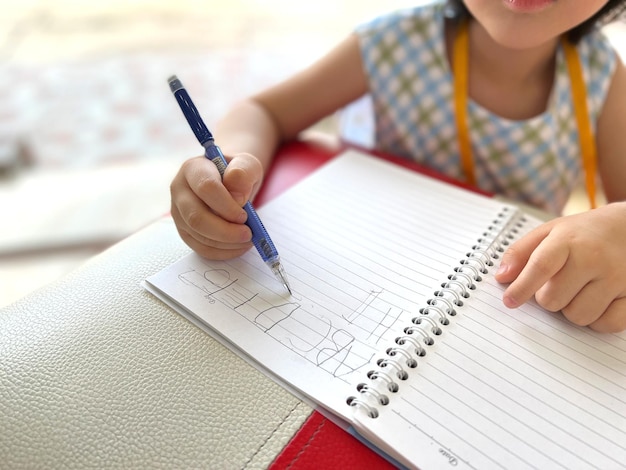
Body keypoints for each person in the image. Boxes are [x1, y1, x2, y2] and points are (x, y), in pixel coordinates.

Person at [169, 0, 626, 333]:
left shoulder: (604, 77)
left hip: (505, 325)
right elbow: (264, 112)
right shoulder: (393, 43)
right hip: (367, 295)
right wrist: (230, 165)